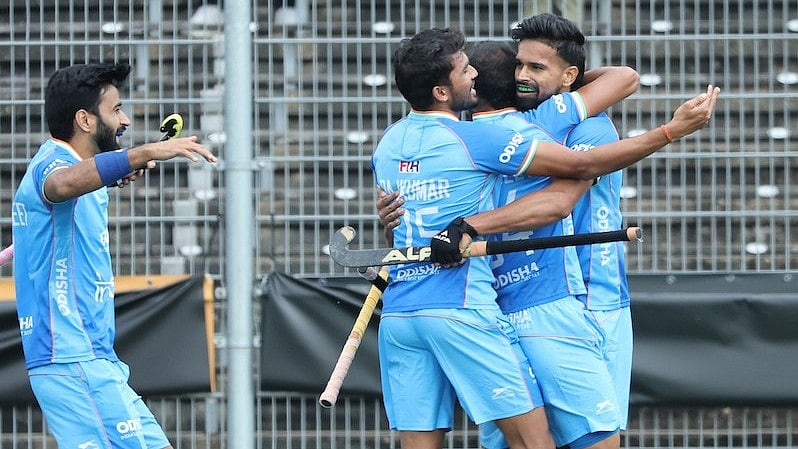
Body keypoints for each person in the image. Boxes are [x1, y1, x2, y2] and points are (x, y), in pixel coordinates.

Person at [372, 28, 717, 449]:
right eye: (518, 65)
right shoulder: (512, 130)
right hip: (542, 306)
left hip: (425, 310)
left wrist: (400, 223)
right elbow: (572, 178)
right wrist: (669, 132)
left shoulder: (396, 140)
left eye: (535, 66)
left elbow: (411, 214)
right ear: (445, 90)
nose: (523, 75)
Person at [11, 62, 217, 449]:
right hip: (71, 357)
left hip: (93, 357)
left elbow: (79, 181)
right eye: (116, 110)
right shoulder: (53, 165)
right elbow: (62, 183)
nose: (124, 119)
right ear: (85, 120)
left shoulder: (79, 171)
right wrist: (142, 153)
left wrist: (113, 172)